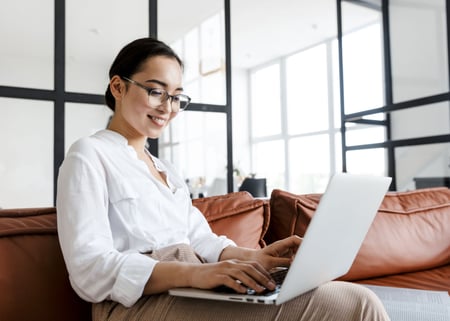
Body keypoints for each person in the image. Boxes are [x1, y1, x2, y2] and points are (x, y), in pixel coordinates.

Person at [56, 37, 390, 321]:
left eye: (176, 97)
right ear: (118, 86)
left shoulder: (165, 170)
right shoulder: (89, 155)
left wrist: (253, 258)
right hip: (137, 304)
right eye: (157, 92)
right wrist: (197, 274)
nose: (168, 108)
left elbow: (201, 241)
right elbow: (90, 268)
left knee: (341, 293)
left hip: (190, 282)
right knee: (356, 306)